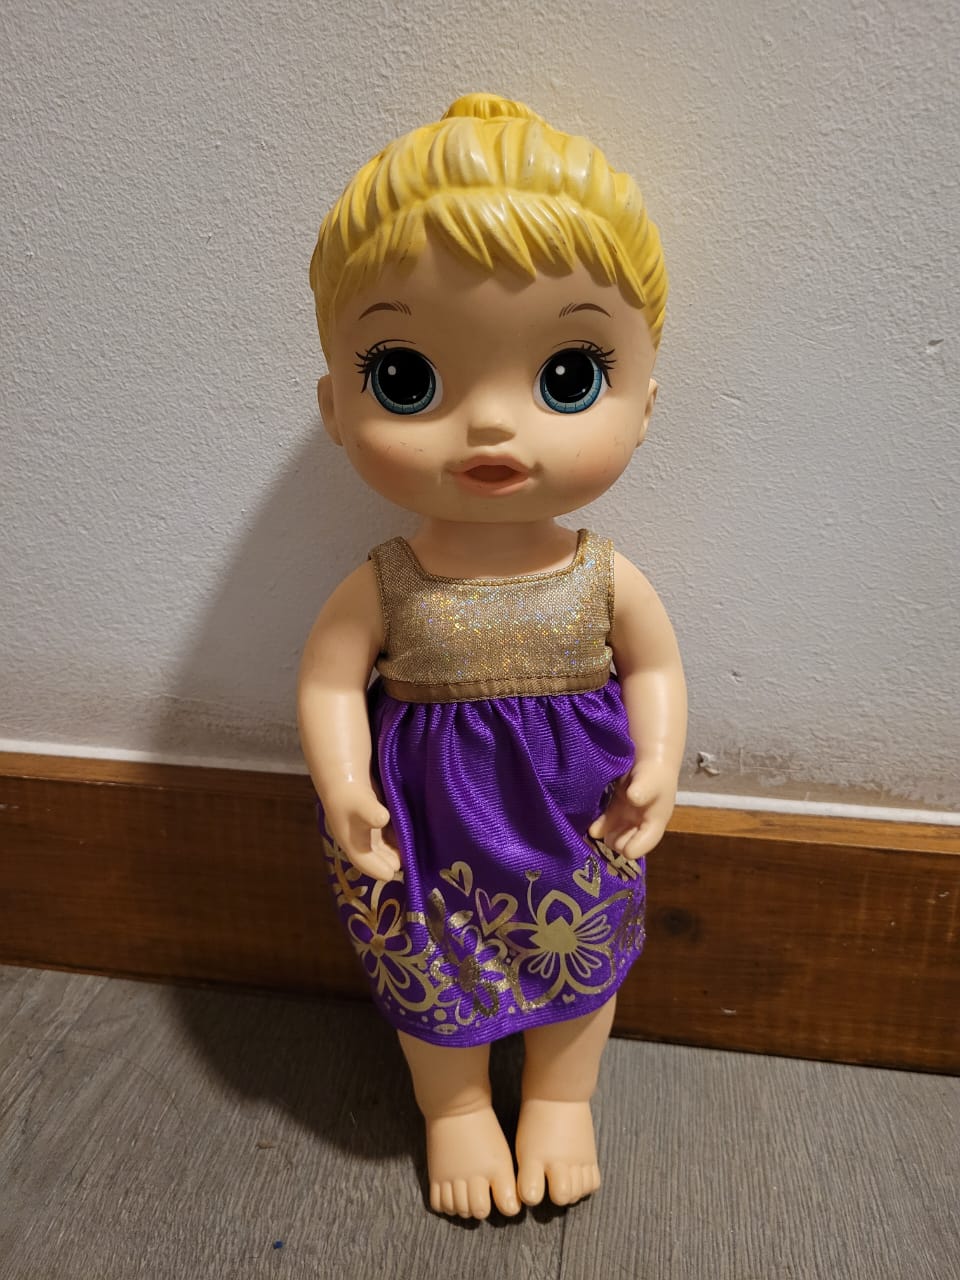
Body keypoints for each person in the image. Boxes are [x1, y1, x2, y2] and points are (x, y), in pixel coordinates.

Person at [299, 92, 687, 1220]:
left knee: (586, 947)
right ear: (336, 405)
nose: (491, 427)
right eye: (406, 378)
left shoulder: (604, 575)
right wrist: (344, 782)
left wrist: (661, 760)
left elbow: (654, 667)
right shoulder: (388, 580)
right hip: (427, 824)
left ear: (644, 401)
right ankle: (457, 1104)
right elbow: (329, 677)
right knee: (429, 957)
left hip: (576, 811)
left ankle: (562, 1095)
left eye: (568, 376)